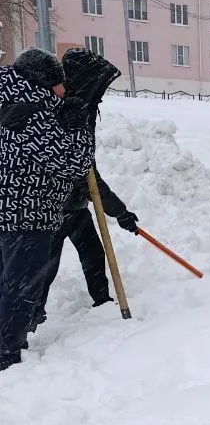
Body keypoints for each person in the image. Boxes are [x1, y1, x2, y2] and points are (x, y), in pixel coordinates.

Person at [0, 49, 94, 371]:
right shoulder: (35, 112)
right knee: (23, 286)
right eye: (58, 83)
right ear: (42, 82)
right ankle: (7, 354)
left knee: (6, 281)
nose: (63, 90)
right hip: (28, 213)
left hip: (6, 209)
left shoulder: (7, 98)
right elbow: (75, 164)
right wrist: (77, 128)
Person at [32, 48, 137, 326]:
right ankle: (29, 316)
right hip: (52, 209)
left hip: (74, 206)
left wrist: (119, 212)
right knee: (44, 267)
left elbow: (88, 171)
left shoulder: (81, 109)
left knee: (93, 254)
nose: (100, 93)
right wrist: (119, 211)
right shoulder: (63, 112)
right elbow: (83, 175)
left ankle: (101, 300)